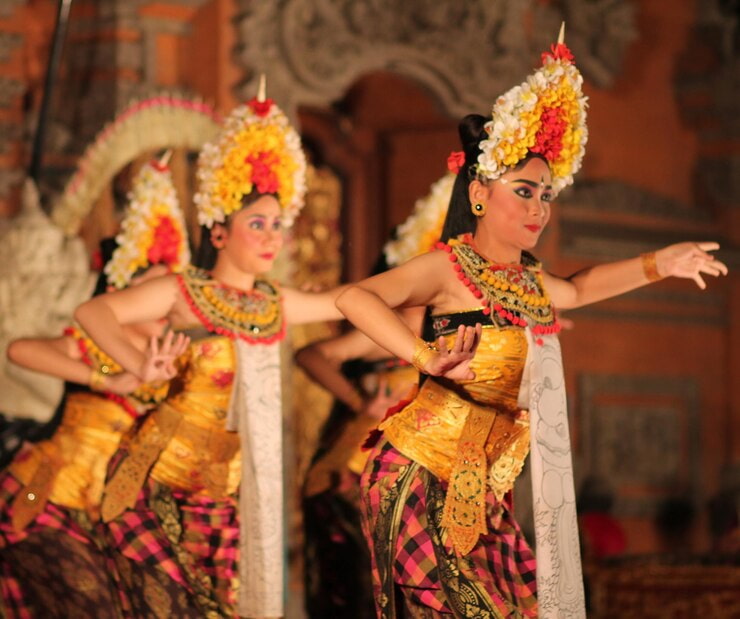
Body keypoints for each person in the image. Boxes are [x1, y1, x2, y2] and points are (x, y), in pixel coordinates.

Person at [335, 27, 728, 618]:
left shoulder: (530, 281)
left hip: (485, 487)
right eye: (523, 192)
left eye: (546, 195)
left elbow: (579, 288)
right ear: (479, 194)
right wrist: (424, 359)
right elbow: (355, 299)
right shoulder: (447, 268)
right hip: (416, 474)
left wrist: (661, 263)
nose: (539, 209)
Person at [75, 90, 347, 618]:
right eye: (258, 225)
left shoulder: (273, 302)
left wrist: (433, 282)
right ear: (219, 231)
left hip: (223, 496)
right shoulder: (184, 291)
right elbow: (94, 315)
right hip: (156, 484)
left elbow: (344, 301)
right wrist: (138, 367)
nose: (272, 239)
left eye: (277, 225)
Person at [0, 156, 190, 618]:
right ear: (126, 291)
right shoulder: (96, 342)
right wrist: (111, 379)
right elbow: (20, 351)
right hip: (49, 500)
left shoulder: (180, 355)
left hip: (116, 518)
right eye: (153, 287)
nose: (165, 299)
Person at [298, 173, 453, 618]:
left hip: (423, 469)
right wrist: (357, 401)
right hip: (359, 469)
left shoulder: (453, 330)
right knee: (363, 585)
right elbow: (311, 356)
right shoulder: (391, 328)